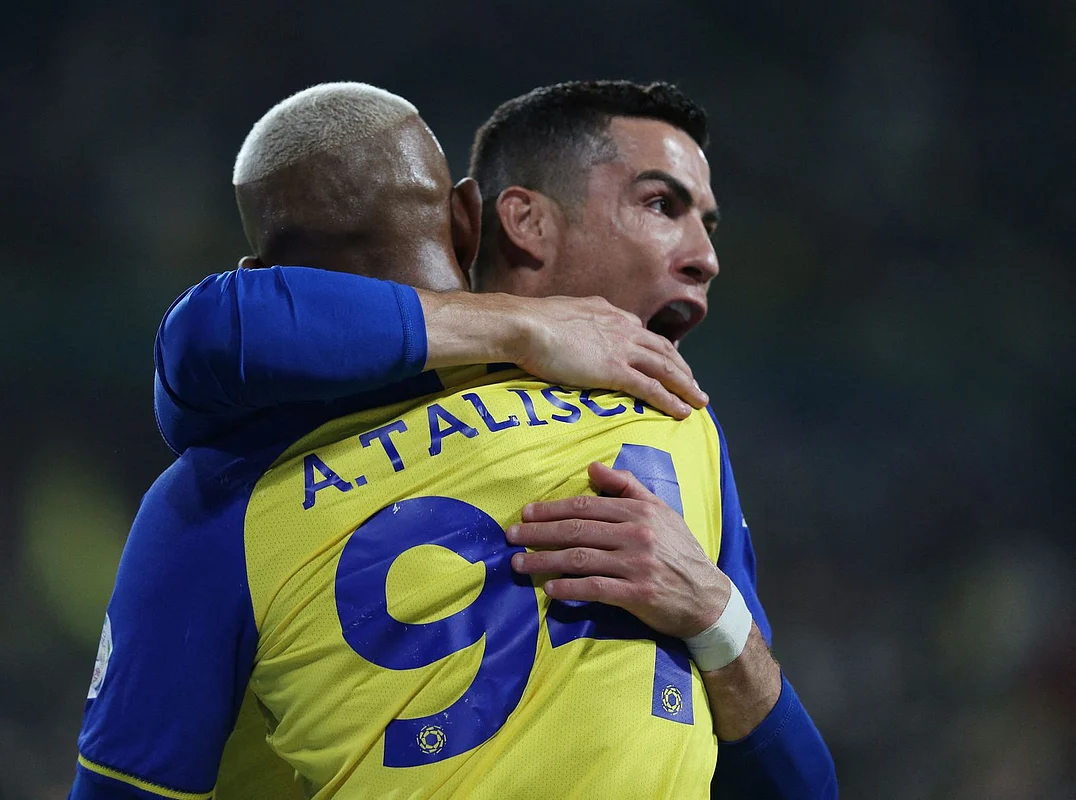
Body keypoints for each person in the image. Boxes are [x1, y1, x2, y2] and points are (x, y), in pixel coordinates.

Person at [68, 83, 823, 800]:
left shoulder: (213, 504)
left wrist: (712, 610)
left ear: (263, 273)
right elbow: (801, 786)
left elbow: (204, 342)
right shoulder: (663, 415)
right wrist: (720, 619)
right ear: (474, 218)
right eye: (661, 204)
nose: (705, 258)